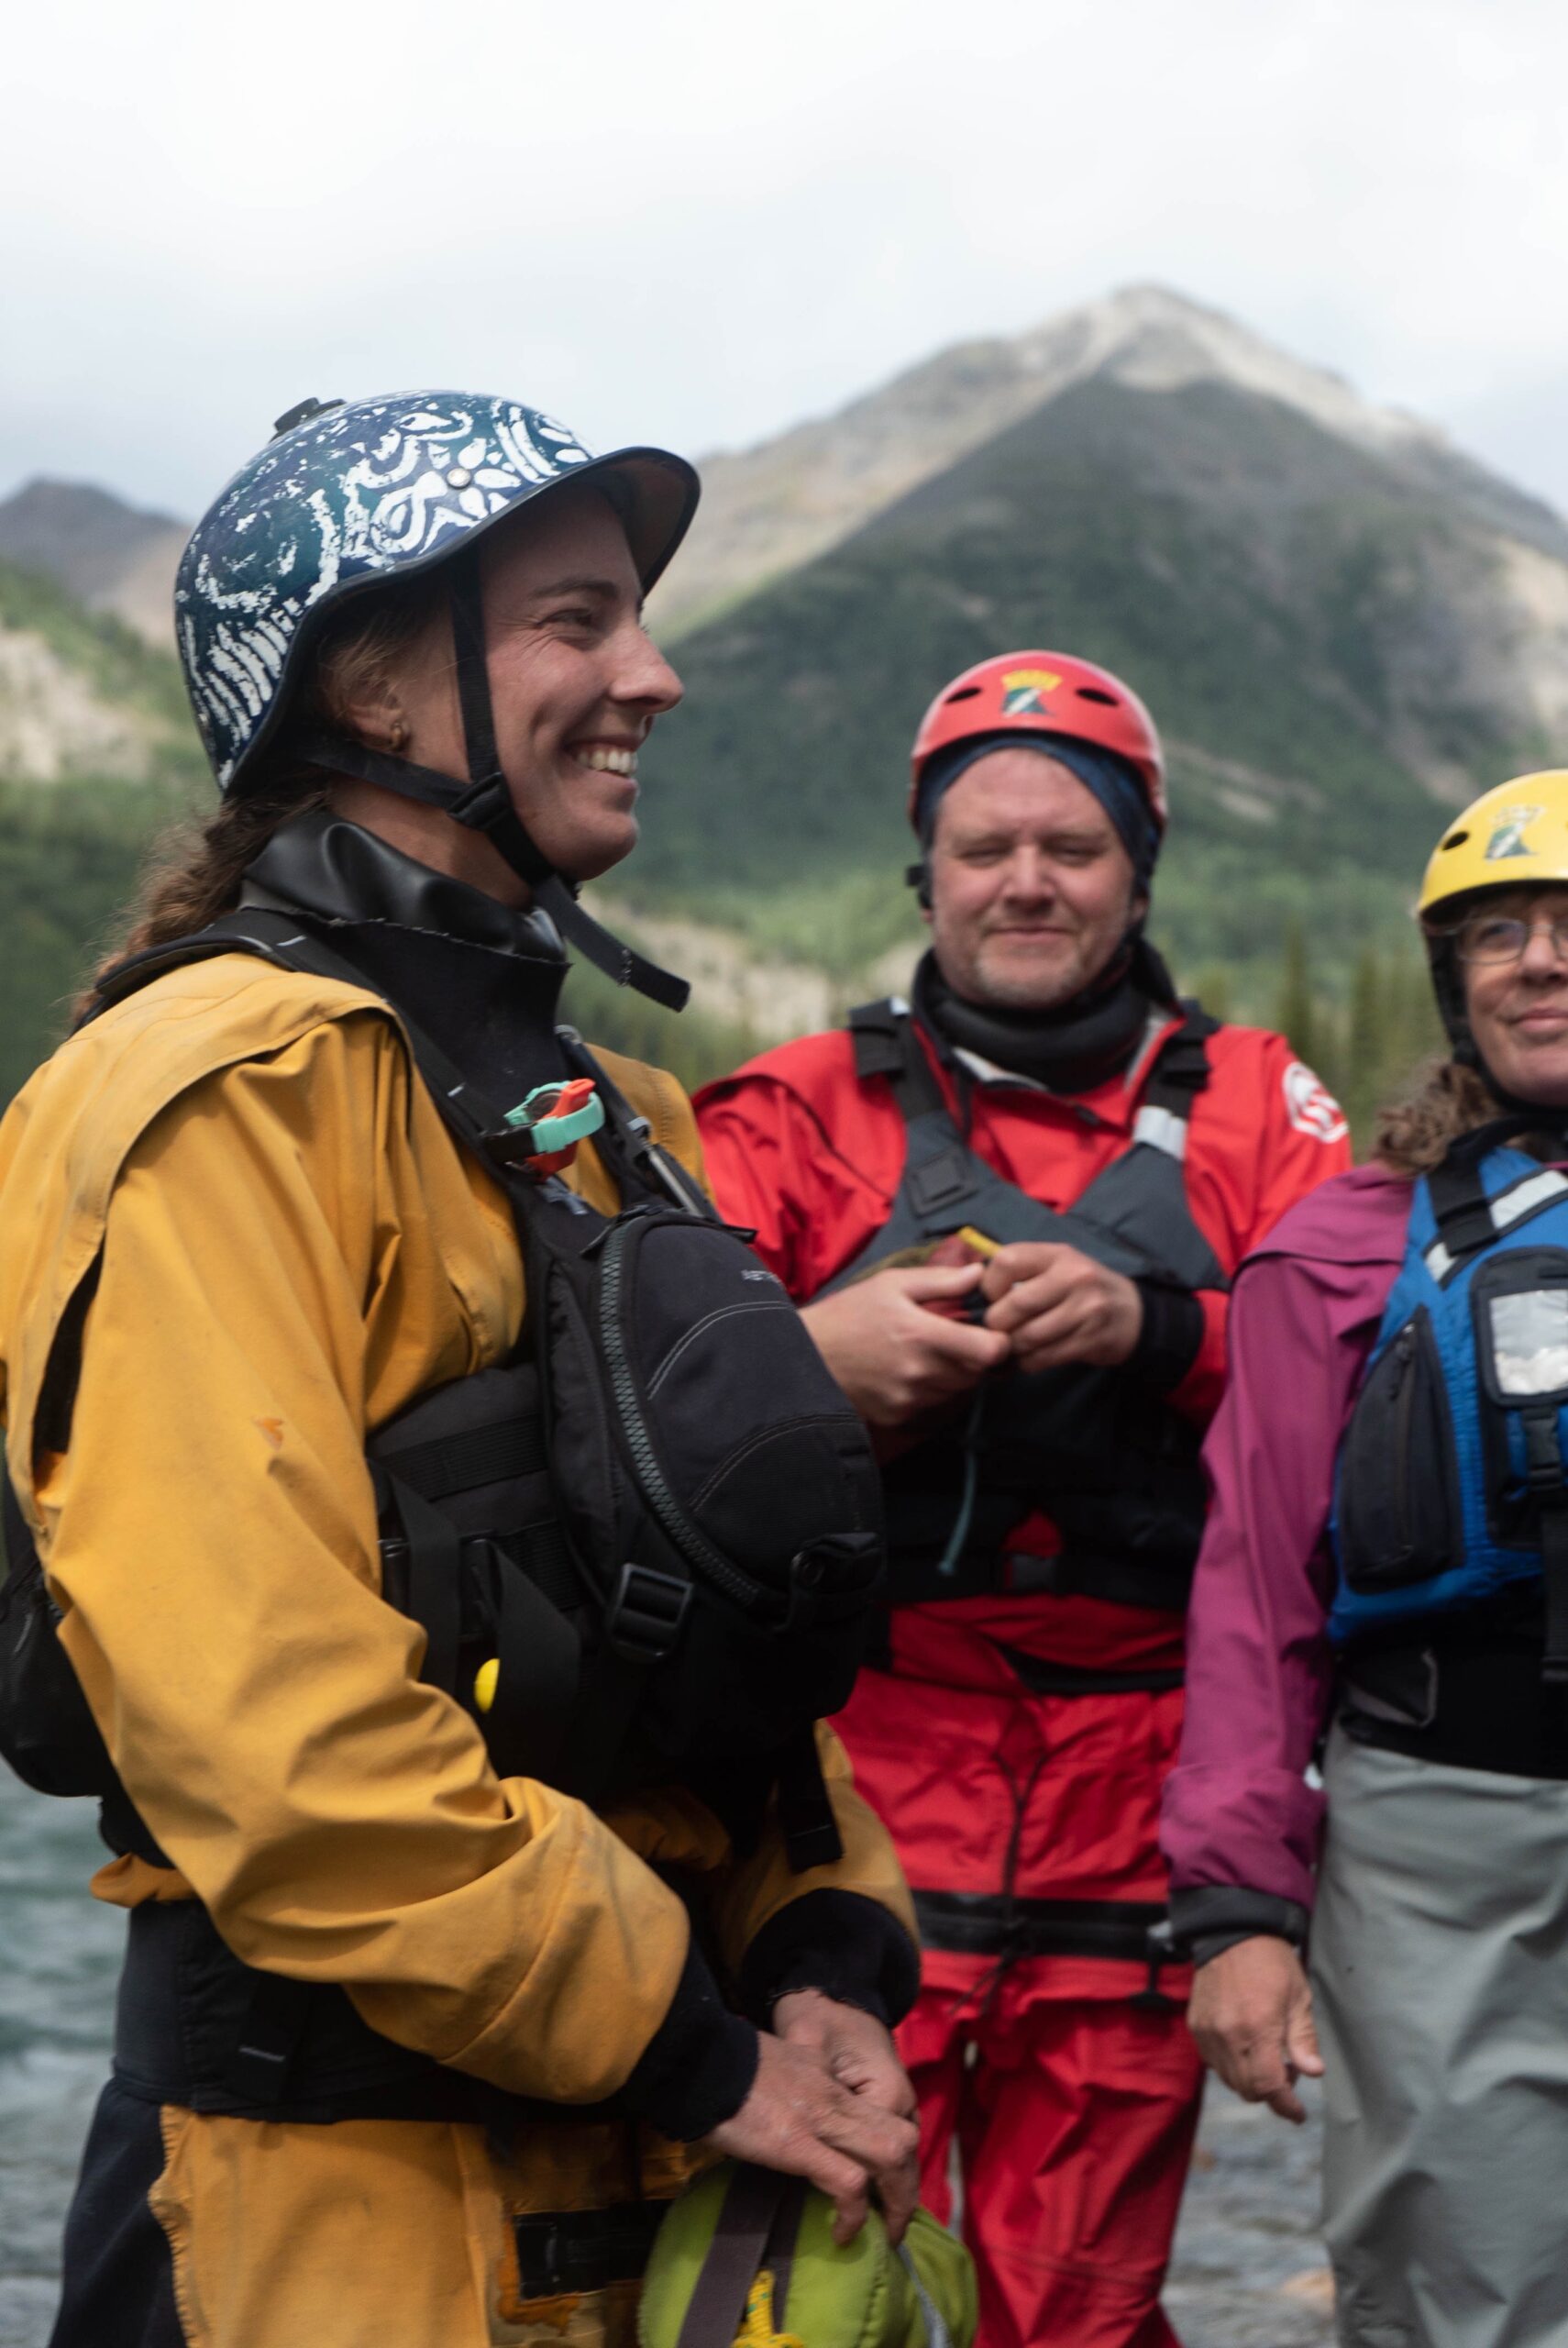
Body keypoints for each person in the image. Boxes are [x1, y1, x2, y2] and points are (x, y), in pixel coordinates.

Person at [0, 390, 923, 2348]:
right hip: (319, 2211)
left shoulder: (615, 1113)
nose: (652, 677)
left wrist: (823, 1954)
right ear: (382, 687)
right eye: (576, 622)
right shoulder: (210, 1099)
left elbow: (707, 1629)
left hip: (653, 2164)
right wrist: (689, 2040)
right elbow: (267, 1721)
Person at [694, 650, 1351, 2348]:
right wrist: (818, 1366)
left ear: (1137, 869)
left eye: (1072, 844)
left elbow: (1362, 1401)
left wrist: (1158, 1331)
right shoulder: (783, 1117)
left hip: (1146, 1784)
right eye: (984, 846)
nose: (1026, 880)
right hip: (857, 1773)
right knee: (819, 2268)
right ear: (926, 870)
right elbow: (659, 1420)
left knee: (1076, 2305)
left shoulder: (1273, 1114)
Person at [1164, 770, 1568, 2348]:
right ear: (1451, 985)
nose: (1539, 959)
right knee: (1459, 2301)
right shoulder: (1335, 1250)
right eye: (1499, 935)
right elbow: (1253, 1596)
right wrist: (1239, 1916)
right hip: (1429, 1835)